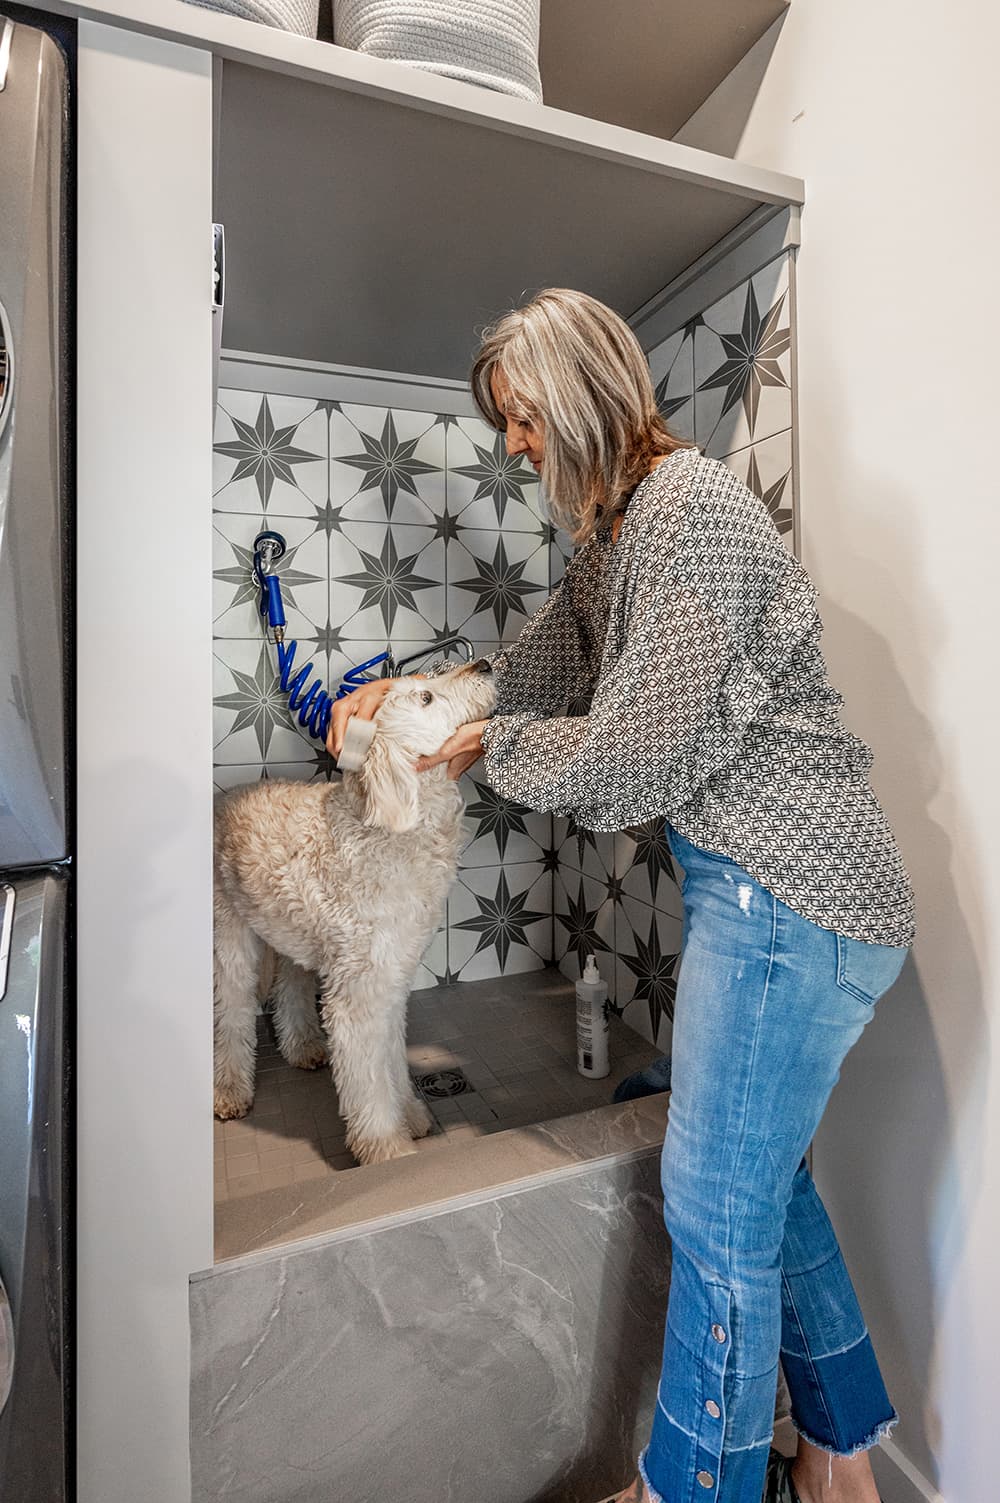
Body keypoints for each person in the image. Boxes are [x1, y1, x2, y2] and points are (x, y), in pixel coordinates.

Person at [326, 288, 914, 1503]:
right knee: (765, 1181)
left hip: (791, 896)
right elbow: (529, 668)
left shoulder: (690, 517)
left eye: (522, 419)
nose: (513, 447)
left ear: (583, 393)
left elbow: (631, 756)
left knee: (715, 1213)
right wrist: (404, 694)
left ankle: (688, 1487)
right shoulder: (616, 538)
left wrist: (485, 749)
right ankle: (843, 1465)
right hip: (776, 899)